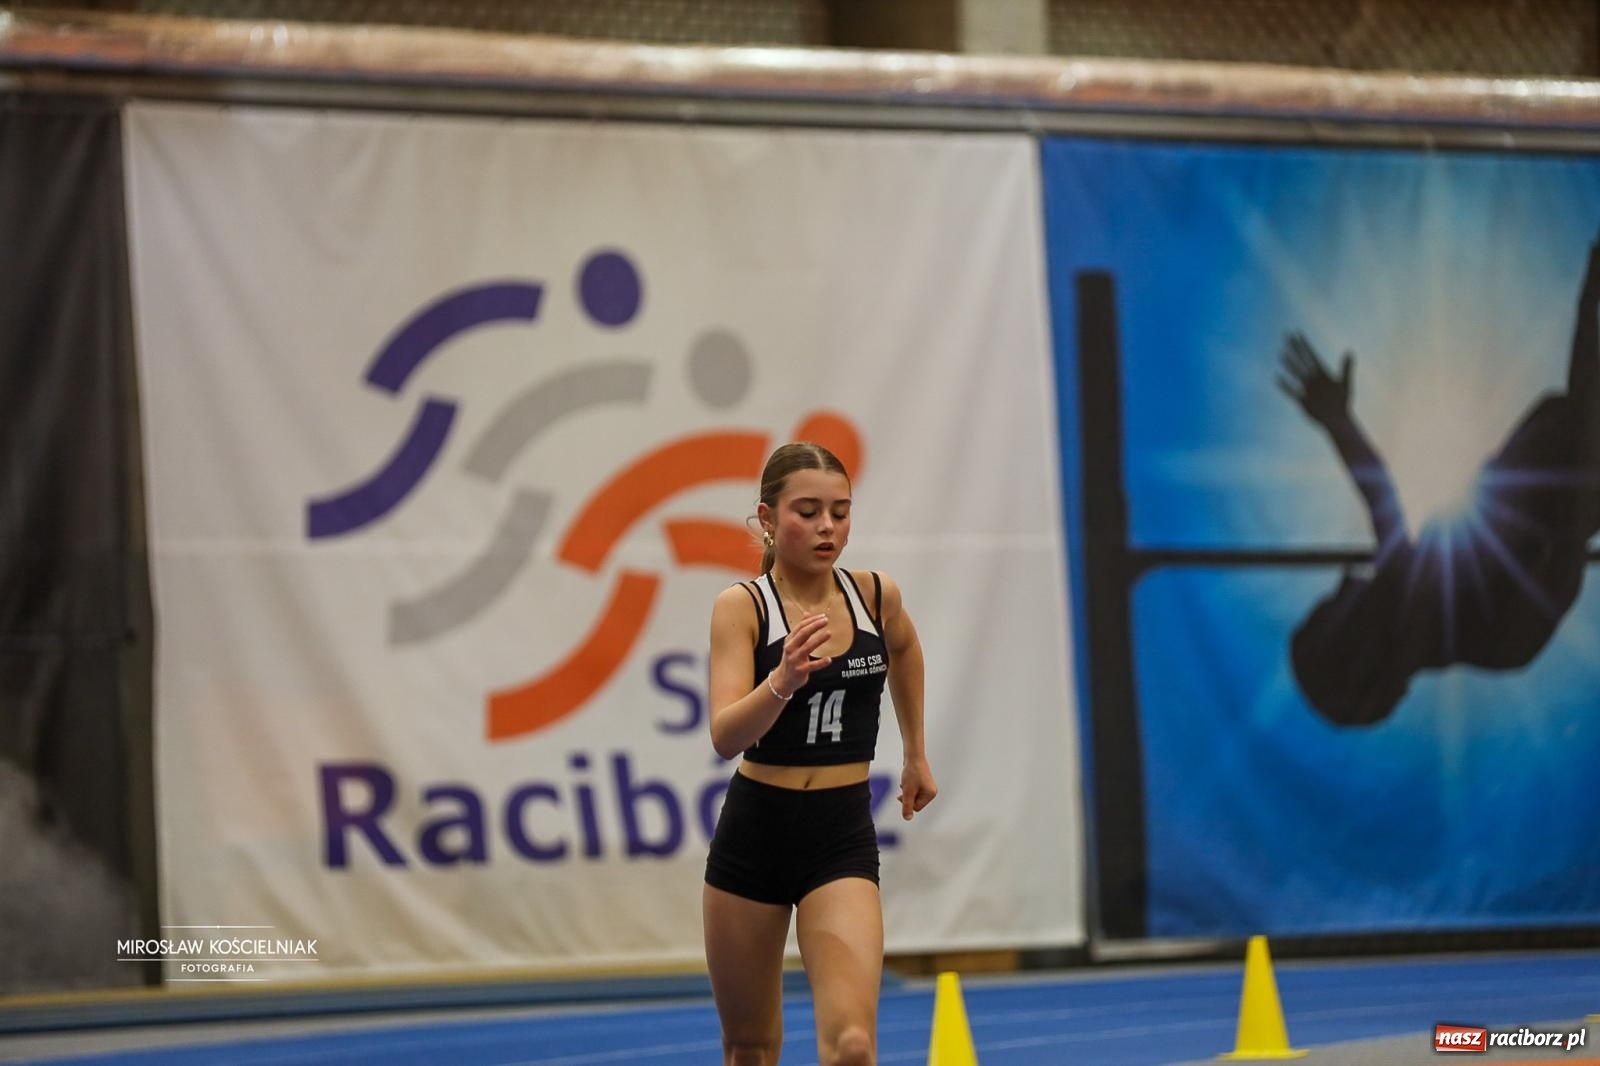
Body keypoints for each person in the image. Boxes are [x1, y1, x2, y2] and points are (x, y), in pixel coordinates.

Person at [1279, 237, 1600, 726]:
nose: (1345, 579)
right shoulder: (1497, 639)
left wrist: (1337, 422)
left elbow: (1379, 494)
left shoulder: (1413, 582)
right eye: (1336, 606)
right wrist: (1587, 311)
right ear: (1363, 651)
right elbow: (1581, 485)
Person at [702, 441, 937, 1066]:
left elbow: (906, 652)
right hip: (755, 832)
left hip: (839, 834)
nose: (828, 526)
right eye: (808, 511)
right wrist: (781, 680)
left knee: (854, 1045)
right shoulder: (743, 607)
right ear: (768, 519)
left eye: (841, 510)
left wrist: (916, 752)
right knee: (750, 1046)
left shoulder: (874, 596)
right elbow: (725, 736)